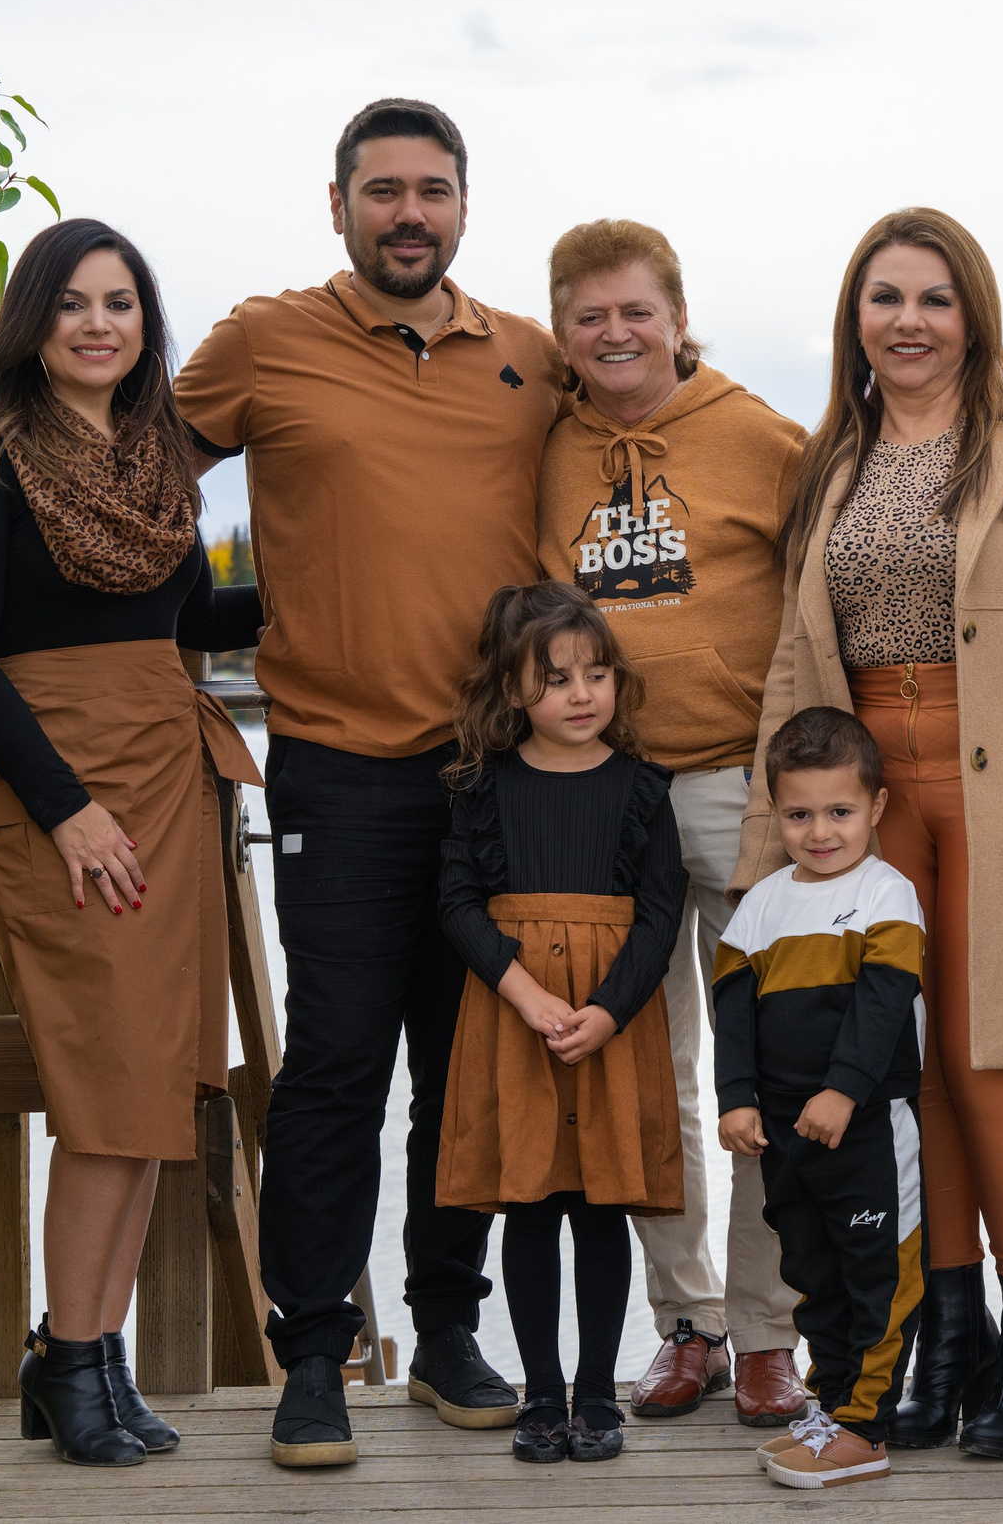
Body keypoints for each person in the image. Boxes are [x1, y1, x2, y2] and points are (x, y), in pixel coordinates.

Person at [171, 98, 564, 1466]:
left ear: (466, 206)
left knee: (469, 1072)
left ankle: (447, 1329)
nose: (410, 211)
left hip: (503, 778)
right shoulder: (264, 340)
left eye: (433, 190)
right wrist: (3, 609)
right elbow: (130, 485)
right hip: (339, 768)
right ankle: (317, 1350)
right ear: (336, 202)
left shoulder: (532, 355)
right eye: (383, 188)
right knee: (338, 1063)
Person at [735, 207, 1003, 1462]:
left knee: (992, 1057)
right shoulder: (828, 463)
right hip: (863, 803)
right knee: (905, 1069)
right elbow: (796, 665)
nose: (907, 322)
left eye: (933, 299)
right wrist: (767, 850)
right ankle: (939, 1338)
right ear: (854, 320)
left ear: (973, 317)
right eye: (883, 298)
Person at [0, 218, 264, 1466]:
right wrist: (64, 805)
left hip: (164, 775)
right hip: (65, 797)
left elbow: (183, 616)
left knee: (161, 1077)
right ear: (32, 322)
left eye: (121, 304)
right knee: (107, 1087)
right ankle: (68, 1358)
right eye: (73, 304)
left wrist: (332, 590)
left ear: (144, 326)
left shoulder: (157, 467)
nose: (99, 325)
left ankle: (93, 1357)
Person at [535, 219, 810, 1425]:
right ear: (560, 331)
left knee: (767, 1063)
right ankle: (684, 1320)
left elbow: (826, 605)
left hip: (739, 787)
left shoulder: (765, 441)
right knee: (646, 1074)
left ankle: (766, 1331)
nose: (614, 334)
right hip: (608, 794)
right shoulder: (547, 450)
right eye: (588, 316)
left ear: (679, 315)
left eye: (635, 311)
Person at [432, 583, 687, 1465]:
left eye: (596, 673)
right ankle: (540, 1391)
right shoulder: (481, 787)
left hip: (609, 1025)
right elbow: (457, 902)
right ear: (511, 690)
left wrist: (609, 1010)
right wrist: (526, 994)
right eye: (555, 678)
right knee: (531, 1206)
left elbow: (661, 916)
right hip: (519, 1022)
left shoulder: (644, 791)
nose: (581, 693)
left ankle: (595, 1393)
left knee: (600, 1207)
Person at [714, 706, 929, 1489]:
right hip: (786, 1137)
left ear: (875, 806)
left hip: (867, 1128)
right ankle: (829, 1413)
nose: (821, 830)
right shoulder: (761, 904)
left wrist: (843, 1092)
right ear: (775, 811)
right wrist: (736, 1098)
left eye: (840, 811)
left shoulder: (887, 894)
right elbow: (732, 1012)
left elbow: (881, 1006)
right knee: (814, 1278)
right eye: (799, 814)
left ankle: (867, 1425)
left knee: (880, 1276)